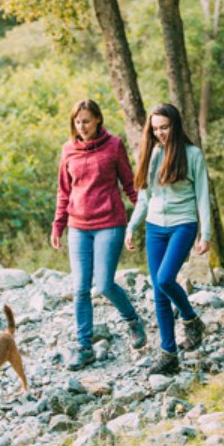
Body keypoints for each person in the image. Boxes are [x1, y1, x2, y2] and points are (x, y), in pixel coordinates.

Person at [52, 99, 147, 371]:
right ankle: (84, 347)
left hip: (109, 223)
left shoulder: (114, 145)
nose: (81, 126)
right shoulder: (68, 150)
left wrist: (142, 213)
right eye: (76, 122)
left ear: (97, 120)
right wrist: (58, 224)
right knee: (80, 288)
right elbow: (64, 191)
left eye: (85, 121)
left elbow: (129, 184)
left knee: (103, 285)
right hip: (78, 226)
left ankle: (132, 320)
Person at [126, 103, 210, 376]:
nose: (160, 133)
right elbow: (143, 197)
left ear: (175, 126)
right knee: (158, 291)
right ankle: (169, 354)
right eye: (156, 128)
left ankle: (191, 318)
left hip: (182, 224)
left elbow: (203, 195)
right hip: (154, 226)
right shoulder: (150, 154)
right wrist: (131, 226)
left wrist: (205, 233)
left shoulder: (192, 154)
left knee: (164, 279)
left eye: (165, 127)